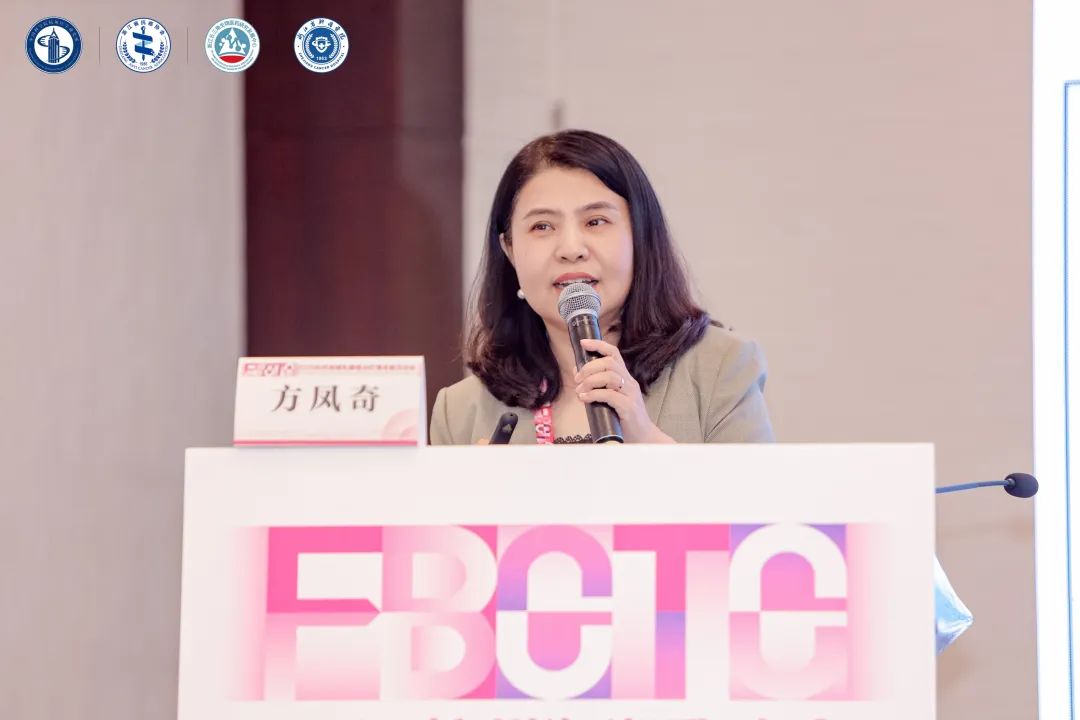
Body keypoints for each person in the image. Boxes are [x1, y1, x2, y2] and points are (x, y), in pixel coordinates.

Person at [430, 129, 774, 445]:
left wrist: (646, 438)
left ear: (639, 236)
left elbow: (758, 493)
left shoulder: (720, 368)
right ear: (509, 250)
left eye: (596, 221)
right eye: (542, 227)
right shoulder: (459, 411)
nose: (571, 249)